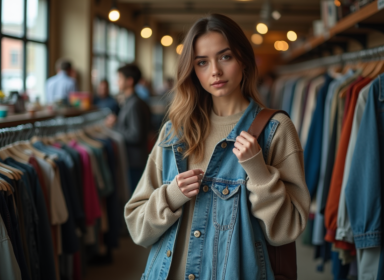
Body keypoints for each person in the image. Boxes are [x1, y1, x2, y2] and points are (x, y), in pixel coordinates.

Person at [124, 14, 310, 280]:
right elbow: (137, 226)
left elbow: (287, 231)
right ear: (192, 69)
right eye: (202, 62)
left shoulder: (275, 130)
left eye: (225, 57)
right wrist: (171, 196)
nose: (215, 71)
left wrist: (259, 174)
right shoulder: (173, 134)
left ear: (243, 60)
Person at [105, 64, 151, 194]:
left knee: (134, 198)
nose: (116, 82)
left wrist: (115, 126)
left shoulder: (135, 103)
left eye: (119, 78)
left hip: (135, 161)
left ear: (129, 81)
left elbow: (135, 136)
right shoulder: (130, 101)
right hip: (132, 159)